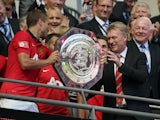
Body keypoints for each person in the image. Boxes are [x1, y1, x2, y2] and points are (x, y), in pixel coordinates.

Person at [0, 9, 60, 112]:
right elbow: (25, 63)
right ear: (40, 22)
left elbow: (59, 57)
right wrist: (48, 61)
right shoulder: (22, 35)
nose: (49, 28)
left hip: (29, 99)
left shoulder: (39, 46)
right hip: (14, 96)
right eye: (47, 24)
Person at [90, 21, 152, 120]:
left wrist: (120, 64)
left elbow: (142, 77)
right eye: (109, 38)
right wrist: (81, 88)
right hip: (112, 113)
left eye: (114, 37)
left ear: (125, 37)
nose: (110, 41)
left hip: (134, 114)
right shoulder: (107, 60)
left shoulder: (138, 56)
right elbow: (96, 86)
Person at [36, 33, 70, 116]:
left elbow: (67, 97)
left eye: (61, 45)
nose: (58, 47)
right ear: (46, 46)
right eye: (55, 44)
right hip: (41, 113)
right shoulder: (38, 66)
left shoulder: (67, 70)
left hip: (62, 114)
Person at [128, 16, 160, 99]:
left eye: (144, 29)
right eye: (137, 28)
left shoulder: (156, 49)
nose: (140, 31)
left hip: (153, 97)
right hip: (132, 97)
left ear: (150, 32)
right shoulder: (126, 47)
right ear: (132, 30)